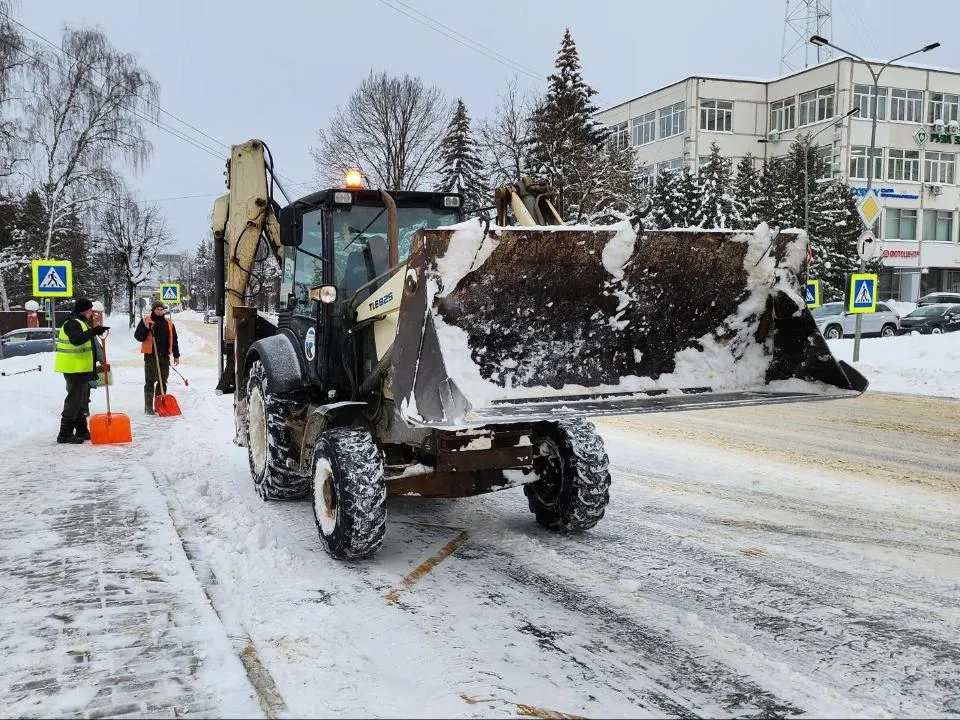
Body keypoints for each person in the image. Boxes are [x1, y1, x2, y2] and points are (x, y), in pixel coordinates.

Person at [54, 297, 108, 443]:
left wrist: (95, 331)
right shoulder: (72, 323)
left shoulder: (81, 322)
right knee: (74, 401)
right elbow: (76, 340)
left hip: (81, 368)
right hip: (73, 368)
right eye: (90, 309)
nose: (91, 312)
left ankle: (82, 431)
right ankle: (64, 434)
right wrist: (93, 331)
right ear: (83, 310)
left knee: (81, 401)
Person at [134, 300, 180, 415]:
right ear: (153, 310)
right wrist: (147, 329)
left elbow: (174, 340)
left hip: (164, 357)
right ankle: (148, 407)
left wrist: (176, 355)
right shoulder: (146, 321)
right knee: (150, 381)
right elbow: (138, 337)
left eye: (161, 309)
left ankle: (159, 406)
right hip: (151, 356)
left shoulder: (168, 323)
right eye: (157, 310)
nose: (160, 312)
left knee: (162, 381)